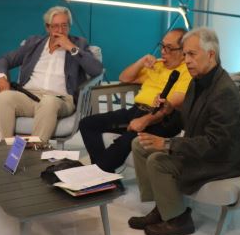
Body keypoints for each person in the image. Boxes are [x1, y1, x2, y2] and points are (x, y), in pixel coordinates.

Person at [129, 27, 240, 235]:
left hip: (219, 160)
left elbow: (216, 144)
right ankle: (163, 207)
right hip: (199, 149)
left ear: (211, 55)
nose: (187, 60)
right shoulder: (197, 80)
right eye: (185, 54)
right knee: (139, 144)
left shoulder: (224, 92)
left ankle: (179, 220)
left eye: (192, 54)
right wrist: (169, 109)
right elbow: (191, 118)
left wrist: (168, 144)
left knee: (157, 161)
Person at [79, 28, 191, 172]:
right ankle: (105, 176)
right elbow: (124, 77)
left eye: (169, 48)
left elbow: (169, 107)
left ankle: (98, 174)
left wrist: (145, 120)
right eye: (162, 46)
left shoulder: (186, 72)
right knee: (87, 124)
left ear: (183, 52)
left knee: (125, 141)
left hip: (162, 119)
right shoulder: (157, 65)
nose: (163, 51)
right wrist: (142, 61)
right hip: (136, 110)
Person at [0, 6, 102, 143]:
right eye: (55, 26)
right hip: (29, 96)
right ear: (47, 27)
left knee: (48, 102)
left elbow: (96, 70)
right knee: (5, 97)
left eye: (64, 25)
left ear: (69, 26)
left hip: (60, 99)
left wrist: (71, 47)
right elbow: (4, 60)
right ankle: (3, 149)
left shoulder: (79, 44)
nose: (60, 30)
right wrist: (1, 77)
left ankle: (35, 149)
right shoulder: (34, 43)